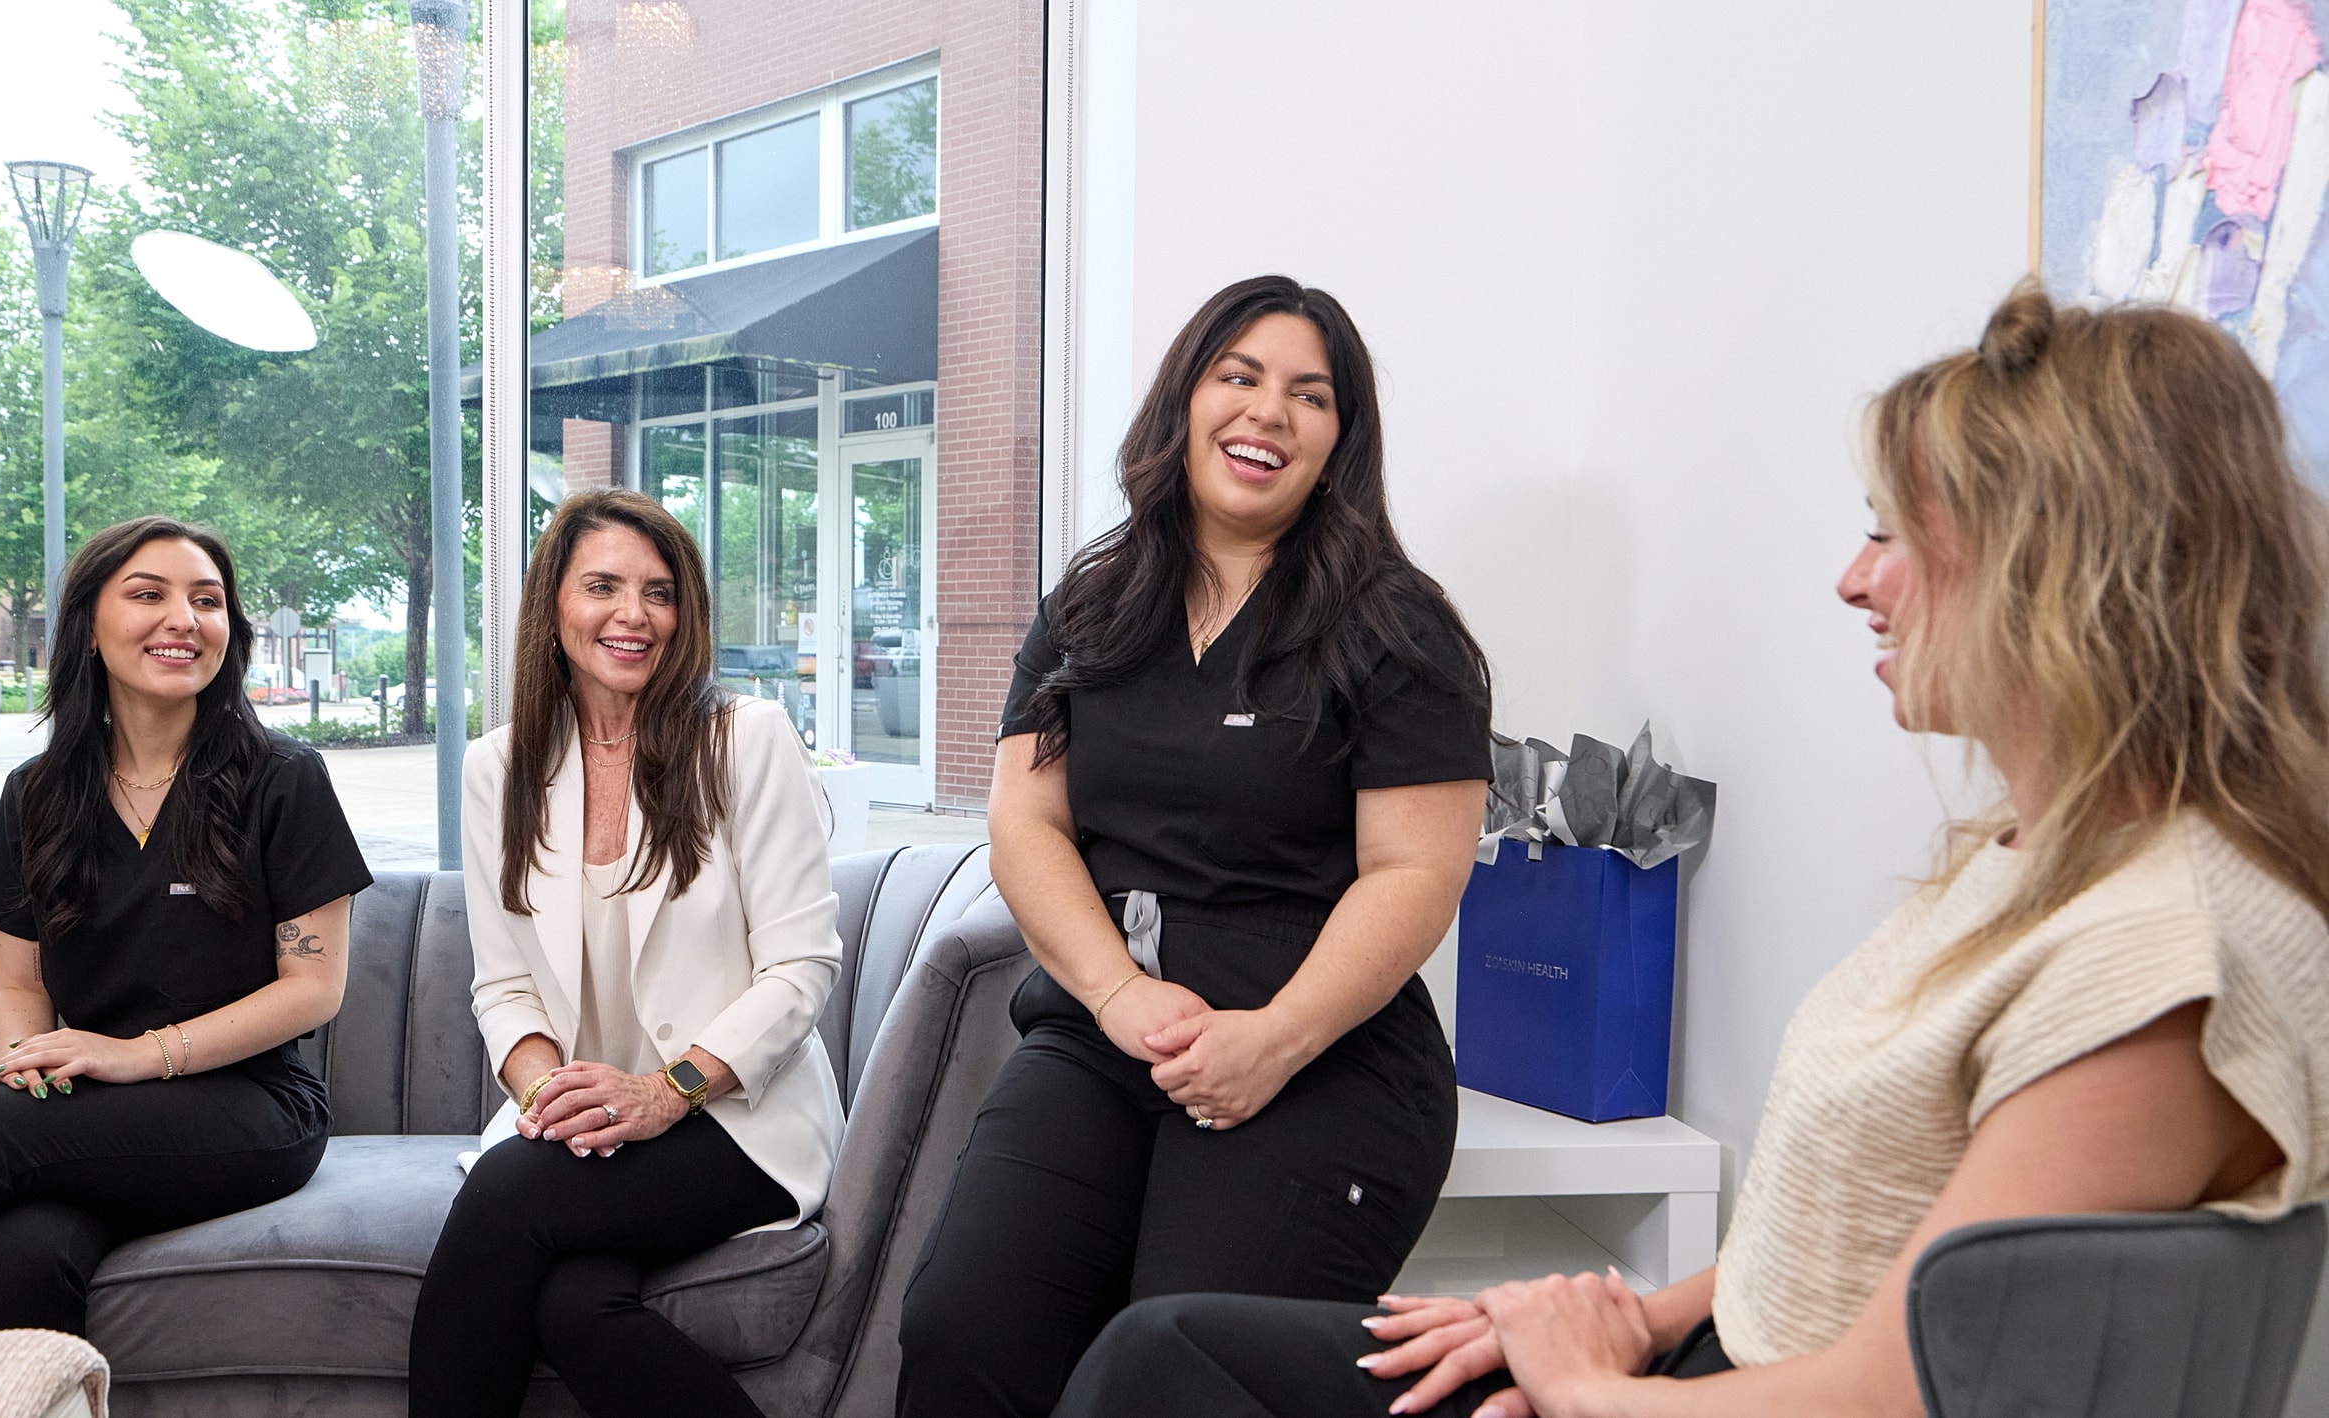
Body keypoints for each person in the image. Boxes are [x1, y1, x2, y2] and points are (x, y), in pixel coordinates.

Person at [1051, 284, 2329, 1418]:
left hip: (1723, 1395)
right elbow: (1886, 1236)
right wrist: (1634, 1313)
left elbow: (1900, 1386)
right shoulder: (2038, 868)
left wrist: (1585, 1384)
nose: (1849, 576)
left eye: (1890, 531)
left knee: (1167, 1366)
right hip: (1700, 1357)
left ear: (2061, 566)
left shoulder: (2160, 953)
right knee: (1167, 1352)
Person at [896, 275, 1495, 1416]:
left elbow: (1415, 872)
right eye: (1239, 376)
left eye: (1308, 395)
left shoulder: (1394, 624)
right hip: (1104, 1038)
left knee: (1170, 1367)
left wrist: (1271, 1038)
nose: (1267, 411)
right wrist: (1118, 994)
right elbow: (1024, 819)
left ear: (1339, 440)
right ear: (1184, 401)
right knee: (962, 1325)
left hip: (1318, 1057)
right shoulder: (1093, 604)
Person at [0, 516, 372, 1352]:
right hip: (94, 1113)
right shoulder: (39, 793)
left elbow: (314, 987)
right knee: (24, 1257)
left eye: (207, 600)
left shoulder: (283, 779)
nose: (183, 619)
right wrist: (29, 1073)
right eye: (148, 595)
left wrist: (137, 1055)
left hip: (252, 1107)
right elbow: (19, 989)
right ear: (90, 625)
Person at [406, 490, 845, 1418]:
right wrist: (547, 1097)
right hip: (584, 1126)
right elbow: (505, 986)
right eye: (602, 586)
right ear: (553, 606)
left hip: (732, 1115)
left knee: (505, 1199)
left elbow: (802, 969)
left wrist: (658, 1094)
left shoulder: (745, 740)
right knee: (574, 1302)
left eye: (658, 591)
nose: (633, 616)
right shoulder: (502, 767)